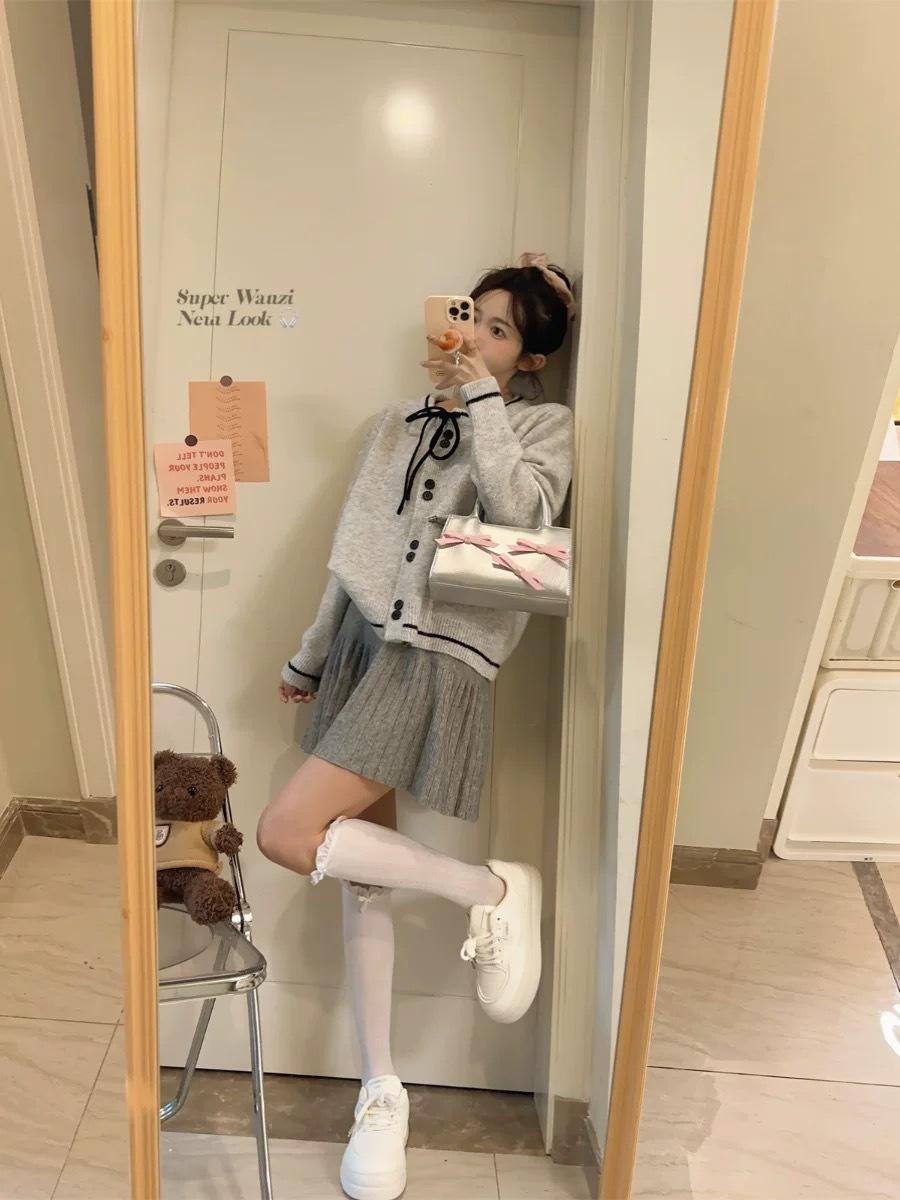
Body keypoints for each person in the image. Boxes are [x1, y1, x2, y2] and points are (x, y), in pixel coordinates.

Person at [257, 252, 576, 1200]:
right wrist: (312, 653)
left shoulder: (542, 425)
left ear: (530, 359)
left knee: (287, 833)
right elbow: (350, 553)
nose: (474, 337)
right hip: (364, 646)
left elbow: (524, 512)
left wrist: (479, 400)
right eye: (471, 318)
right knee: (360, 878)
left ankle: (491, 889)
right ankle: (382, 1088)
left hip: (436, 655)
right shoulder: (395, 424)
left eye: (500, 330)